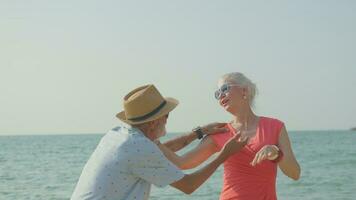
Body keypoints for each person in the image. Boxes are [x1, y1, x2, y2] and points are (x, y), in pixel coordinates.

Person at [70, 84, 247, 200]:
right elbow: (189, 186)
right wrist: (224, 155)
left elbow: (156, 153)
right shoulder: (139, 147)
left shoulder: (119, 135)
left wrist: (199, 132)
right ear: (154, 121)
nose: (167, 120)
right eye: (166, 115)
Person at [156, 72, 301, 200]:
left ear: (244, 90)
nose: (221, 96)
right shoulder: (221, 132)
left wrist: (276, 154)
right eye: (217, 94)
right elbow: (182, 163)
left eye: (225, 89)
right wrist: (149, 141)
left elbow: (295, 174)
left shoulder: (275, 126)